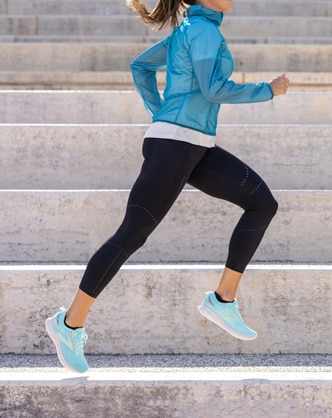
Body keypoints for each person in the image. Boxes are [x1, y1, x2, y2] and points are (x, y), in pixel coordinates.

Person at [45, 0, 290, 373]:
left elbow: (140, 66)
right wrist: (267, 90)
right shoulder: (203, 31)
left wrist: (161, 114)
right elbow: (213, 89)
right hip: (177, 145)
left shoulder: (188, 31)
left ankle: (223, 299)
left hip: (193, 145)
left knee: (261, 202)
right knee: (131, 234)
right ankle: (69, 324)